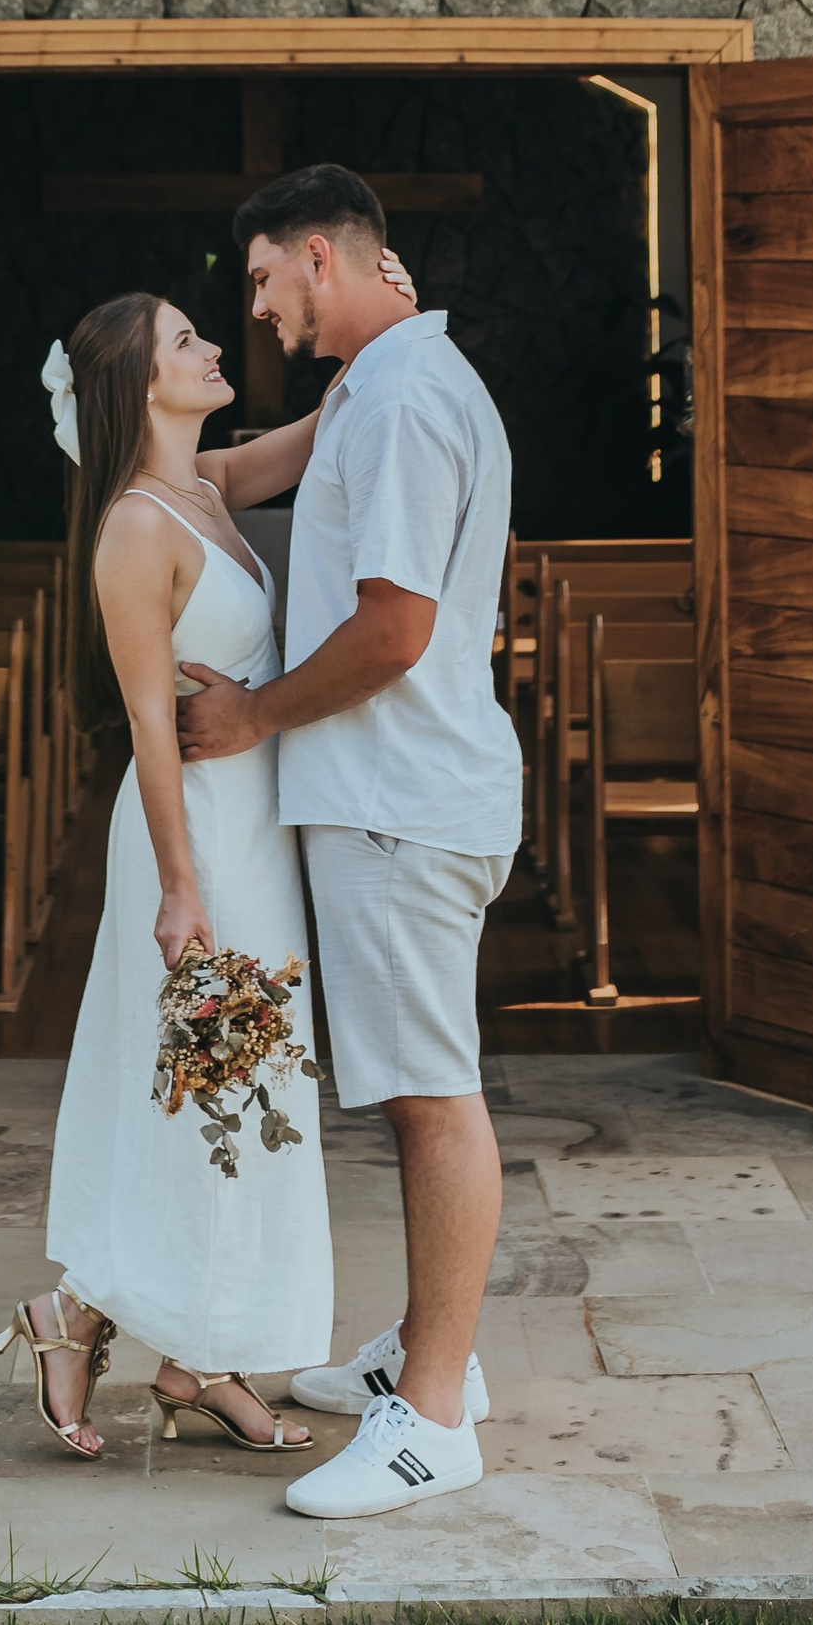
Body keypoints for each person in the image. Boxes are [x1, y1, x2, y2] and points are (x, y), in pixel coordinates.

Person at [179, 163, 523, 1524]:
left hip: (398, 800)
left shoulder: (400, 403)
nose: (259, 312)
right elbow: (231, 470)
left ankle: (431, 1420)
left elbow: (393, 632)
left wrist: (251, 714)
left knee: (431, 1099)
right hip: (402, 794)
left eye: (266, 281)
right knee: (412, 1090)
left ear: (320, 256)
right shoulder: (383, 384)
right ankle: (428, 1352)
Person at [1, 293, 334, 1458]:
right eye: (186, 341)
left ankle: (196, 1356)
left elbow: (326, 429)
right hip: (199, 844)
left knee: (246, 1089)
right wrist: (181, 889)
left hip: (254, 834)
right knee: (214, 1093)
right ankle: (85, 1312)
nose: (212, 348)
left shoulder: (208, 486)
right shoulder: (136, 529)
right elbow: (149, 724)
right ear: (140, 384)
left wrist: (384, 328)